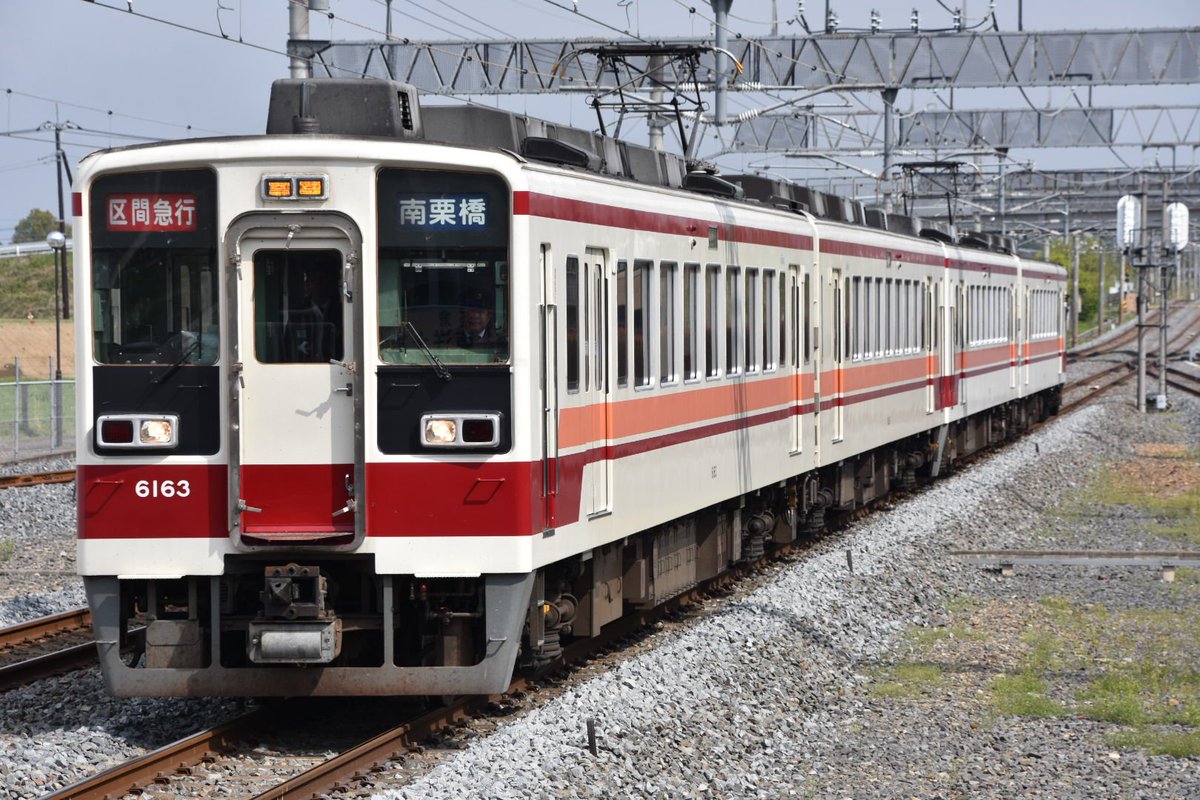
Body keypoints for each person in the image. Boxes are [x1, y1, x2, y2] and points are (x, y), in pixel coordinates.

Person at [286, 269, 343, 362]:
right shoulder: (298, 313)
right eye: (317, 280)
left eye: (326, 281)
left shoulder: (343, 313)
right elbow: (288, 347)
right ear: (308, 284)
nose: (321, 285)